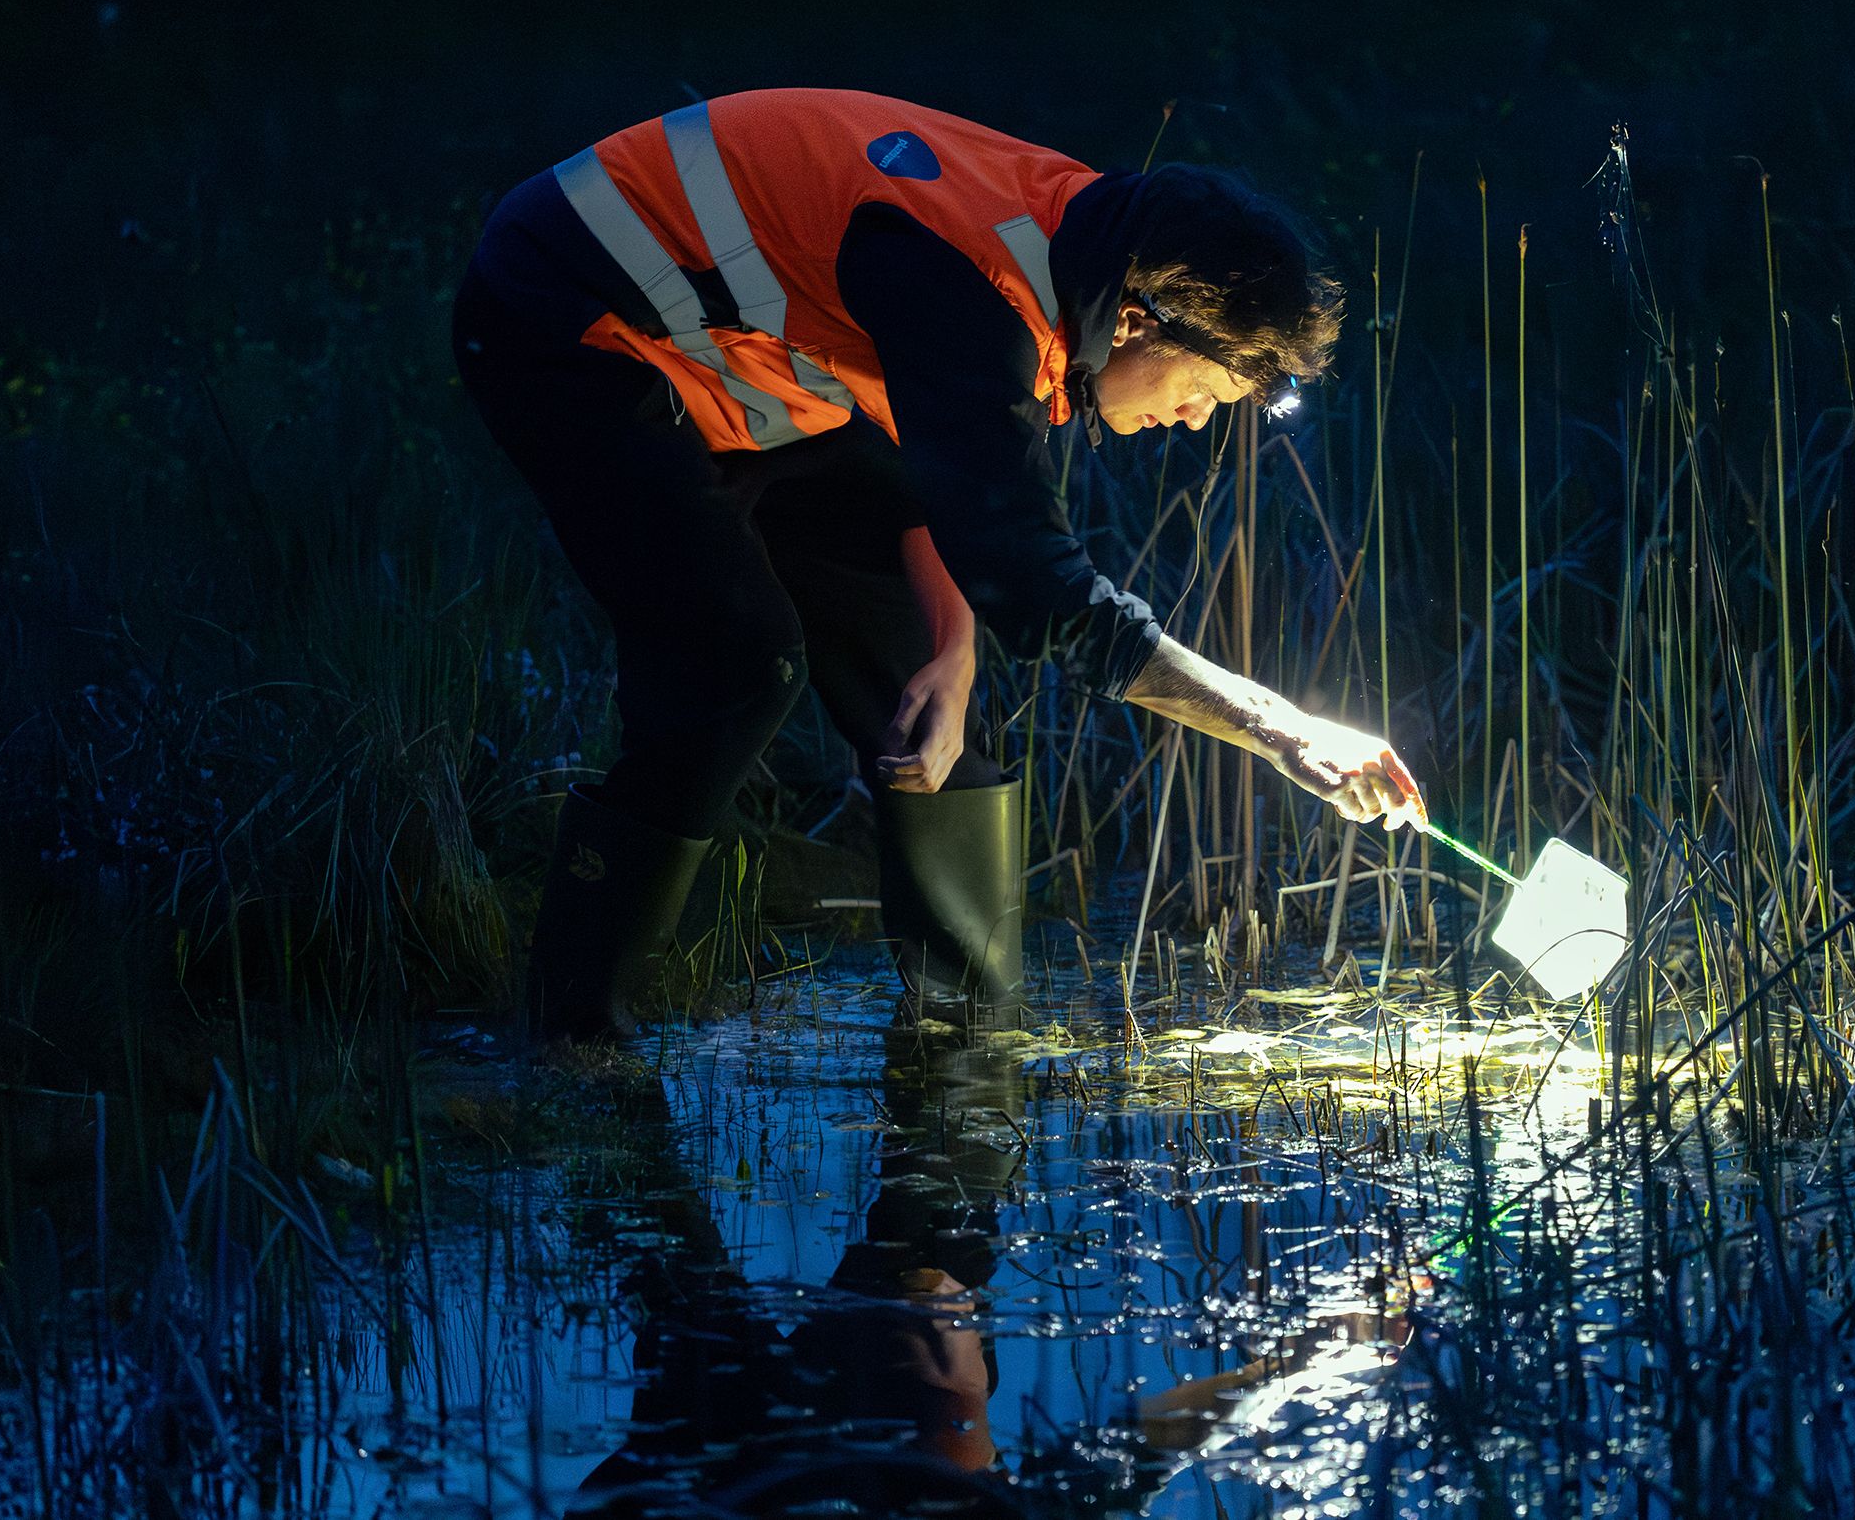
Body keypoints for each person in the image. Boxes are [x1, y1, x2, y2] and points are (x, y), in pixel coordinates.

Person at [454, 88, 1425, 1042]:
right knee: (738, 663)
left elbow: (954, 486)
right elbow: (1037, 586)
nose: (1197, 419)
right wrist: (1280, 726)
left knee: (925, 705)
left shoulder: (1059, 255)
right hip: (566, 319)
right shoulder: (973, 279)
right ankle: (572, 1037)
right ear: (1140, 322)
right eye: (1210, 390)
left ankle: (966, 1041)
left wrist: (955, 654)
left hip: (759, 369)